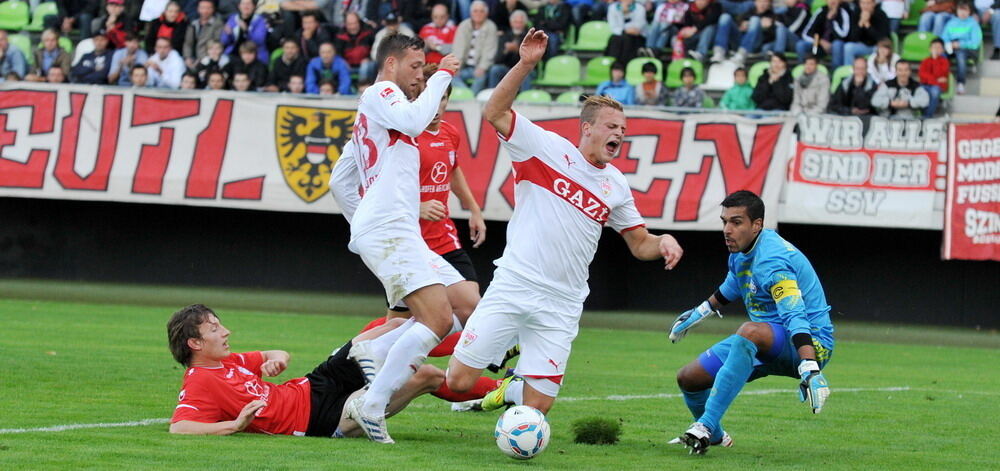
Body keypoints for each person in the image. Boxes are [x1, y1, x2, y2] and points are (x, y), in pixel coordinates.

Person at [446, 29, 683, 419]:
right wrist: (525, 65)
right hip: (516, 282)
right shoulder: (545, 149)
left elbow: (639, 243)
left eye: (623, 130)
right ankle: (506, 365)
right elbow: (495, 113)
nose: (619, 135)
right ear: (587, 128)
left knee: (538, 407)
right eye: (611, 127)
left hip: (563, 302)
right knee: (458, 380)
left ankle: (511, 389)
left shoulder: (616, 185)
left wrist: (664, 242)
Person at [327, 33, 462, 444]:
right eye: (415, 67)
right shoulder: (381, 93)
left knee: (465, 304)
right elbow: (412, 120)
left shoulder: (373, 118)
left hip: (394, 229)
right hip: (390, 229)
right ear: (390, 64)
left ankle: (377, 357)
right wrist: (443, 77)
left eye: (424, 69)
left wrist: (361, 220)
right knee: (437, 319)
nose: (420, 75)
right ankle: (373, 393)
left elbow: (340, 181)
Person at [668, 190, 833, 455]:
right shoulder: (740, 253)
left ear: (757, 225)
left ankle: (705, 426)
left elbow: (794, 315)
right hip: (761, 341)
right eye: (724, 221)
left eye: (736, 222)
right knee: (690, 378)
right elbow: (732, 286)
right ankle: (716, 436)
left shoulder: (773, 260)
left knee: (749, 330)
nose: (727, 230)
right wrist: (698, 312)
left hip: (808, 344)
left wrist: (810, 366)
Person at [166, 304, 443, 438]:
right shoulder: (199, 379)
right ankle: (478, 380)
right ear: (195, 343)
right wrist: (235, 425)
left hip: (314, 384)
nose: (225, 332)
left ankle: (455, 321)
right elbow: (179, 427)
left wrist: (278, 360)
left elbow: (274, 353)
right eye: (214, 329)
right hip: (318, 418)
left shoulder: (226, 360)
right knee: (429, 375)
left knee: (391, 327)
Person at [452, 1, 498, 94]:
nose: (478, 14)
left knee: (481, 77)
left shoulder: (491, 27)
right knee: (451, 76)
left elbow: (489, 51)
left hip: (481, 68)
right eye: (475, 11)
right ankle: (468, 95)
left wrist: (482, 67)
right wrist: (457, 67)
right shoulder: (463, 25)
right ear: (471, 13)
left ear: (486, 13)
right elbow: (458, 48)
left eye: (481, 11)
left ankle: (470, 99)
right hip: (464, 67)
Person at [720, 0, 783, 66]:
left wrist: (766, 28)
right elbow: (737, 26)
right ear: (755, 2)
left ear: (769, 4)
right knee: (725, 17)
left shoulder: (772, 16)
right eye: (760, 1)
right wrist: (742, 26)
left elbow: (774, 37)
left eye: (765, 1)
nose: (762, 4)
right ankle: (720, 52)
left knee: (755, 20)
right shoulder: (748, 12)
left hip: (755, 46)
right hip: (739, 42)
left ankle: (741, 54)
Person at [940, 2, 982, 95]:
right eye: (960, 10)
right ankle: (941, 81)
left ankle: (960, 84)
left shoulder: (973, 24)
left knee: (960, 55)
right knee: (941, 55)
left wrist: (960, 44)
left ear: (969, 11)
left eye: (965, 10)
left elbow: (975, 43)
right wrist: (948, 44)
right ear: (957, 11)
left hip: (967, 49)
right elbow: (944, 37)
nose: (962, 12)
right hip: (951, 46)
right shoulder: (951, 22)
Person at [799, 0, 856, 67]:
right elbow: (806, 33)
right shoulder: (821, 11)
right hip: (819, 45)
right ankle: (804, 70)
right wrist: (820, 41)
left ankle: (835, 72)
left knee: (837, 44)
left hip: (836, 46)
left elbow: (843, 35)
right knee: (801, 45)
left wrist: (832, 20)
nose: (832, 1)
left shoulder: (844, 12)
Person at [488, 10, 534, 91]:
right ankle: (492, 96)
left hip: (524, 68)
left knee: (526, 73)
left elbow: (531, 59)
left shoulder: (531, 37)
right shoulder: (504, 36)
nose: (518, 25)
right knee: (495, 69)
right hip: (507, 67)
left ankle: (525, 99)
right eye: (516, 22)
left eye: (520, 22)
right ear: (511, 23)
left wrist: (517, 50)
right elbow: (497, 59)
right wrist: (506, 51)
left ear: (525, 23)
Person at [842, 0, 890, 65]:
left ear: (873, 4)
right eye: (863, 3)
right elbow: (853, 38)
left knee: (883, 49)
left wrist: (868, 25)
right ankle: (849, 73)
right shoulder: (856, 13)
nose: (865, 6)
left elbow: (882, 38)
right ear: (859, 4)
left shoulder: (881, 15)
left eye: (868, 3)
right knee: (848, 47)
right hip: (862, 46)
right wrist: (861, 23)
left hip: (877, 46)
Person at [336, 12, 378, 84]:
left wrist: (369, 58)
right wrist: (343, 62)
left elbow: (375, 49)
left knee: (367, 66)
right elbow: (338, 54)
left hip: (366, 64)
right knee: (340, 66)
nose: (353, 27)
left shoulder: (369, 32)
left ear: (359, 22)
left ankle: (363, 88)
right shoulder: (340, 36)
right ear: (345, 24)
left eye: (355, 23)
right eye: (350, 24)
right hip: (347, 64)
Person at [183, 0, 224, 70]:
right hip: (192, 58)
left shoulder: (218, 24)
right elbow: (188, 43)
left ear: (213, 9)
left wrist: (201, 60)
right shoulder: (193, 24)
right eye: (202, 8)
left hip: (208, 58)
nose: (205, 11)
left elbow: (216, 44)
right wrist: (187, 57)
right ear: (198, 9)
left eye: (208, 8)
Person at [919, 39, 951, 117]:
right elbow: (922, 74)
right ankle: (922, 114)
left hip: (938, 86)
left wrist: (935, 59)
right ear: (930, 49)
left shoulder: (945, 61)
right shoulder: (925, 61)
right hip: (926, 84)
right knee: (919, 91)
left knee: (934, 92)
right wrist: (935, 79)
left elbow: (941, 73)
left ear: (943, 50)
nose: (936, 49)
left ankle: (927, 116)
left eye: (939, 47)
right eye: (934, 47)